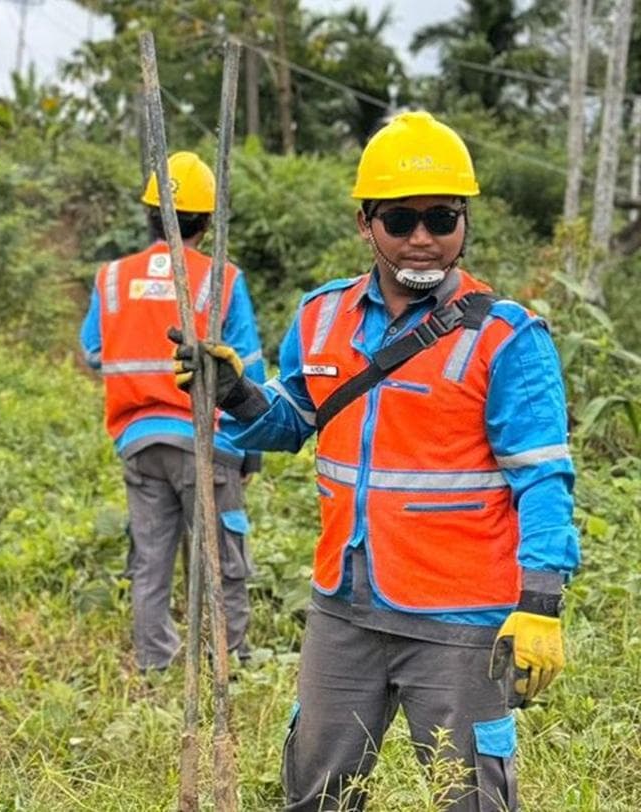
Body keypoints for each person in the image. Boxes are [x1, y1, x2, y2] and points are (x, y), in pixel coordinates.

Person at [175, 111, 578, 811]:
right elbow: (289, 422)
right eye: (400, 220)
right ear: (366, 222)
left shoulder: (507, 338)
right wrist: (236, 392)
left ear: (464, 222)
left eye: (441, 218)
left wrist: (540, 605)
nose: (422, 238)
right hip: (345, 606)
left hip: (460, 618)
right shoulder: (321, 316)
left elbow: (543, 476)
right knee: (318, 792)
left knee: (469, 801)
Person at [80, 151, 265, 673]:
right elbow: (249, 369)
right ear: (207, 222)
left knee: (149, 559)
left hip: (139, 441)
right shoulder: (222, 278)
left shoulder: (113, 278)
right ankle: (226, 662)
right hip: (207, 440)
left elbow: (94, 350)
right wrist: (252, 451)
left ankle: (155, 663)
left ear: (148, 215)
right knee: (221, 558)